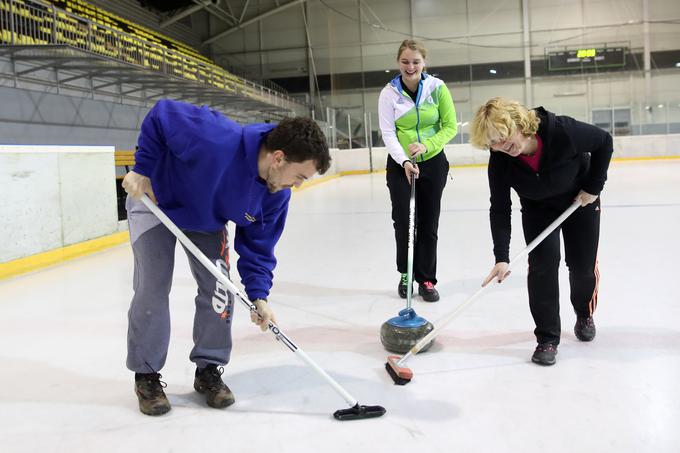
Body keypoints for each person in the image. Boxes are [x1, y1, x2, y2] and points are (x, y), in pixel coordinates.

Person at [122, 99, 331, 415]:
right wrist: (143, 169)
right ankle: (147, 375)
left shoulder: (276, 195)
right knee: (152, 287)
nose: (297, 186)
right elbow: (161, 113)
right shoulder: (216, 137)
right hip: (154, 201)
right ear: (278, 158)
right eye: (299, 176)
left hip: (205, 219)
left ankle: (208, 370)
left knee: (220, 290)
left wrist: (259, 296)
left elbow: (259, 246)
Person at [470, 97, 613, 366]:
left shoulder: (561, 131)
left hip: (579, 202)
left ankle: (583, 313)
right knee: (542, 268)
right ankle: (547, 338)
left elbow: (604, 141)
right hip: (539, 210)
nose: (501, 147)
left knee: (581, 267)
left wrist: (594, 187)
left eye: (502, 137)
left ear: (518, 123)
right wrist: (501, 256)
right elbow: (499, 207)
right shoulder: (500, 160)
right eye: (492, 143)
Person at [378, 39, 458, 302]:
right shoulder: (389, 93)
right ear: (398, 62)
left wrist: (426, 146)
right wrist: (404, 161)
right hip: (400, 164)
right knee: (403, 221)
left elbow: (450, 127)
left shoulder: (437, 88)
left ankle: (426, 278)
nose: (410, 67)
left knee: (428, 222)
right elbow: (388, 132)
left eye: (415, 62)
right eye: (405, 62)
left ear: (424, 63)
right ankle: (405, 272)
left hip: (433, 162)